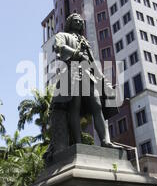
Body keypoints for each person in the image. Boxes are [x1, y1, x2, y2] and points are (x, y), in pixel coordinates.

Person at [45, 12, 122, 161]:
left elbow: (93, 63)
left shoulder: (85, 42)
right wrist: (76, 54)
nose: (79, 22)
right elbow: (58, 47)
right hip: (72, 72)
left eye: (81, 21)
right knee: (75, 106)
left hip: (89, 74)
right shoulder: (63, 35)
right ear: (69, 23)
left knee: (97, 105)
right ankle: (78, 143)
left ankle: (106, 141)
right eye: (76, 20)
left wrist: (104, 81)